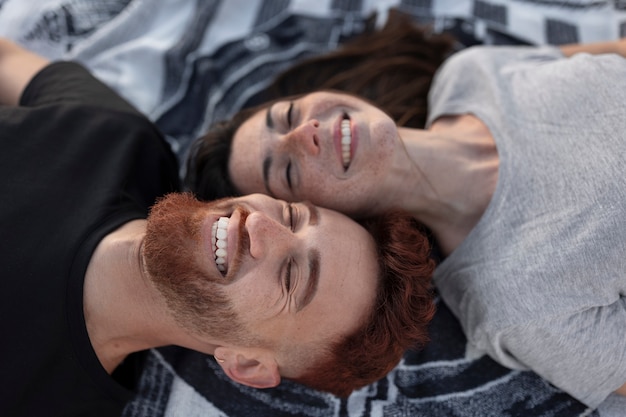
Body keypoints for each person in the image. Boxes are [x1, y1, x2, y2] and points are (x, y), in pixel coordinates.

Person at [186, 16, 626, 409]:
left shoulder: (471, 72)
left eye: (287, 116)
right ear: (317, 218)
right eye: (286, 169)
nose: (306, 132)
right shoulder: (515, 301)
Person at [0, 38, 436, 417]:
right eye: (291, 215)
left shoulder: (40, 400)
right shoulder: (124, 142)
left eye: (290, 277)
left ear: (246, 365)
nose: (261, 225)